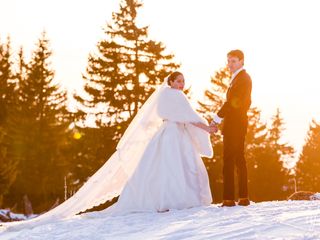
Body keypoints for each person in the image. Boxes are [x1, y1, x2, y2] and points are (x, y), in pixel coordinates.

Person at [3, 72, 216, 231]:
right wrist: (208, 128)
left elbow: (174, 116)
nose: (181, 84)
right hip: (174, 135)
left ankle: (165, 201)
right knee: (177, 168)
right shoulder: (176, 96)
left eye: (182, 81)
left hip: (167, 133)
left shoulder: (164, 96)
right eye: (177, 81)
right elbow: (191, 118)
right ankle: (177, 200)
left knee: (163, 169)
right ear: (170, 82)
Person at [213, 50, 252, 207]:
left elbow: (232, 103)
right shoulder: (238, 78)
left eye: (234, 61)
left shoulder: (243, 78)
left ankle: (229, 199)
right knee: (238, 160)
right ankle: (242, 197)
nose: (230, 64)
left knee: (230, 160)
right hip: (238, 123)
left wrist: (216, 119)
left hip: (234, 125)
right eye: (228, 61)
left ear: (242, 61)